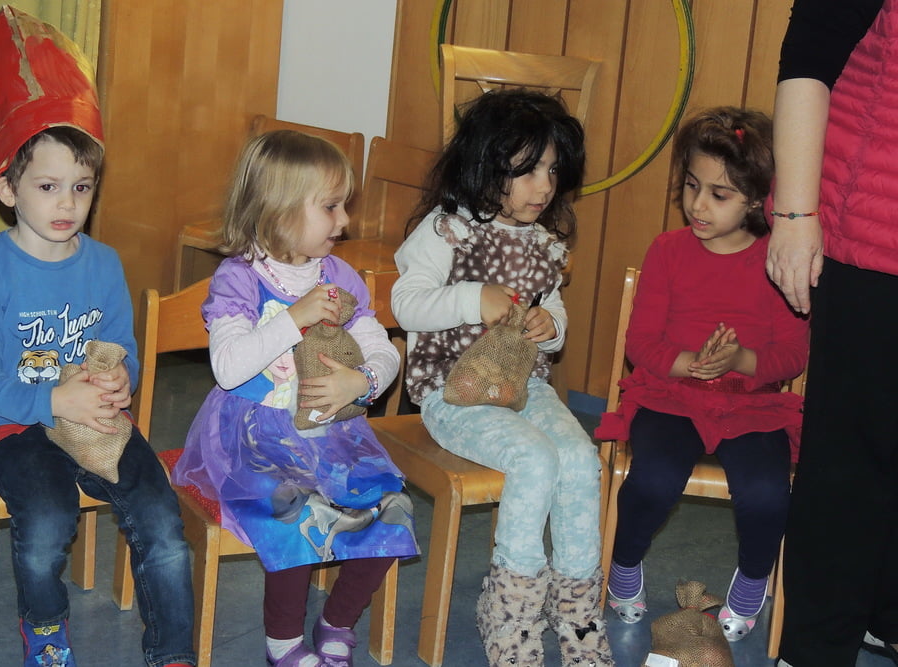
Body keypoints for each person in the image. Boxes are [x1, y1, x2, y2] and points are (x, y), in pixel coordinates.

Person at [0, 7, 195, 667]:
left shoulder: (104, 264)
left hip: (94, 419)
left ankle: (173, 652)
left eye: (81, 187)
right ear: (8, 188)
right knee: (47, 519)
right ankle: (45, 627)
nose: (67, 203)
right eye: (49, 186)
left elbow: (121, 348)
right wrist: (55, 400)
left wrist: (120, 377)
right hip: (11, 423)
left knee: (162, 519)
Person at [171, 130, 419, 667]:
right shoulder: (239, 279)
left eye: (343, 205)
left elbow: (382, 347)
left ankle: (338, 620)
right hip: (251, 433)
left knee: (392, 505)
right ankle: (282, 641)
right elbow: (228, 369)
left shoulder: (339, 276)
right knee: (295, 508)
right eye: (330, 207)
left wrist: (364, 382)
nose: (344, 220)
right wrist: (293, 318)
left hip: (329, 432)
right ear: (279, 210)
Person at [391, 88, 611, 667]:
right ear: (486, 169)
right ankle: (510, 612)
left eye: (553, 171)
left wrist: (549, 326)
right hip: (452, 393)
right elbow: (406, 304)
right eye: (527, 171)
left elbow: (554, 317)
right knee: (534, 460)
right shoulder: (447, 230)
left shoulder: (543, 244)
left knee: (580, 460)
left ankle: (577, 613)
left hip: (524, 386)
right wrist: (474, 297)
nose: (544, 186)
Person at [594, 107, 809, 644]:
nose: (697, 204)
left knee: (767, 494)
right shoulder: (668, 251)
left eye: (719, 194)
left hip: (751, 403)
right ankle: (624, 563)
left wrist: (738, 361)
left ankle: (753, 577)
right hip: (671, 395)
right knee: (652, 479)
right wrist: (691, 364)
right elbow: (641, 344)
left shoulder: (778, 261)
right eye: (692, 185)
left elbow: (791, 356)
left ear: (756, 200)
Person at [769, 1, 898, 664]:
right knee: (850, 459)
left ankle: (886, 613)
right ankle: (815, 649)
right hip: (878, 229)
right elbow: (811, 53)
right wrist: (795, 216)